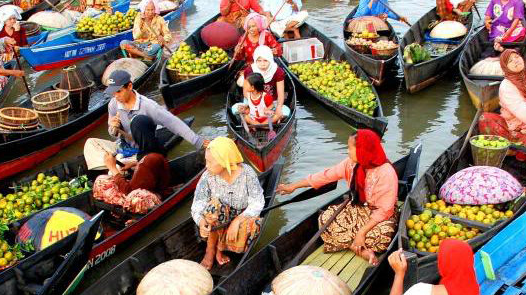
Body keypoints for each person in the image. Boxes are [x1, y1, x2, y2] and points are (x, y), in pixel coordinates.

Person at [276, 130, 397, 263]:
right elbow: (325, 176)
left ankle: (352, 241)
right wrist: (293, 186)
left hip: (378, 216)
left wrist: (361, 233)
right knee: (324, 219)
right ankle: (360, 250)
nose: (348, 151)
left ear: (363, 150)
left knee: (382, 235)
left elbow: (384, 211)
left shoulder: (386, 172)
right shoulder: (351, 164)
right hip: (357, 208)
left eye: (350, 147)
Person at [84, 70, 208, 170]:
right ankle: (122, 165)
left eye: (119, 91)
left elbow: (173, 123)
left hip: (145, 149)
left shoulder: (148, 106)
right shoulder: (113, 104)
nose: (116, 96)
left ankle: (138, 162)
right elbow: (113, 134)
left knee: (138, 121)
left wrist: (198, 141)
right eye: (113, 93)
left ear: (130, 86)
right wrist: (113, 128)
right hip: (125, 148)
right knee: (90, 143)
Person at [191, 136, 265, 269]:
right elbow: (198, 204)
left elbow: (257, 202)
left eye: (210, 162)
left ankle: (221, 248)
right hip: (216, 222)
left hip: (240, 216)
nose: (206, 166)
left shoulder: (247, 173)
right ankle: (210, 250)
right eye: (206, 161)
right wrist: (201, 222)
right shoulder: (208, 176)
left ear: (224, 161)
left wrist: (237, 221)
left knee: (256, 225)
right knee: (213, 207)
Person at [92, 115, 171, 213]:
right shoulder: (154, 150)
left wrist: (113, 168)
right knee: (102, 180)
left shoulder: (149, 159)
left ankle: (130, 212)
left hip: (151, 196)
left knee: (134, 196)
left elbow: (129, 191)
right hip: (145, 187)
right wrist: (136, 163)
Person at [234, 46, 290, 123]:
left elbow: (280, 93)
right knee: (235, 109)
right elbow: (245, 92)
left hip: (272, 102)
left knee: (286, 111)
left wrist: (279, 107)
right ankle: (263, 121)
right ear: (255, 60)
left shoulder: (278, 71)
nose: (262, 64)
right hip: (252, 100)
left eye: (265, 60)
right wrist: (254, 106)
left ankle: (256, 121)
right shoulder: (249, 70)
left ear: (270, 59)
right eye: (259, 61)